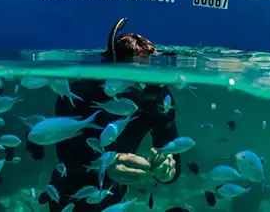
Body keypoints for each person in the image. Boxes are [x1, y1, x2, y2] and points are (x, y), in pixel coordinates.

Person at [25, 18, 182, 211]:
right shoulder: (81, 90)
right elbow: (67, 154)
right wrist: (108, 161)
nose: (139, 84)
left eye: (147, 74)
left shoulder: (157, 95)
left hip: (114, 197)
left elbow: (173, 152)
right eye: (131, 75)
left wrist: (166, 168)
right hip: (69, 196)